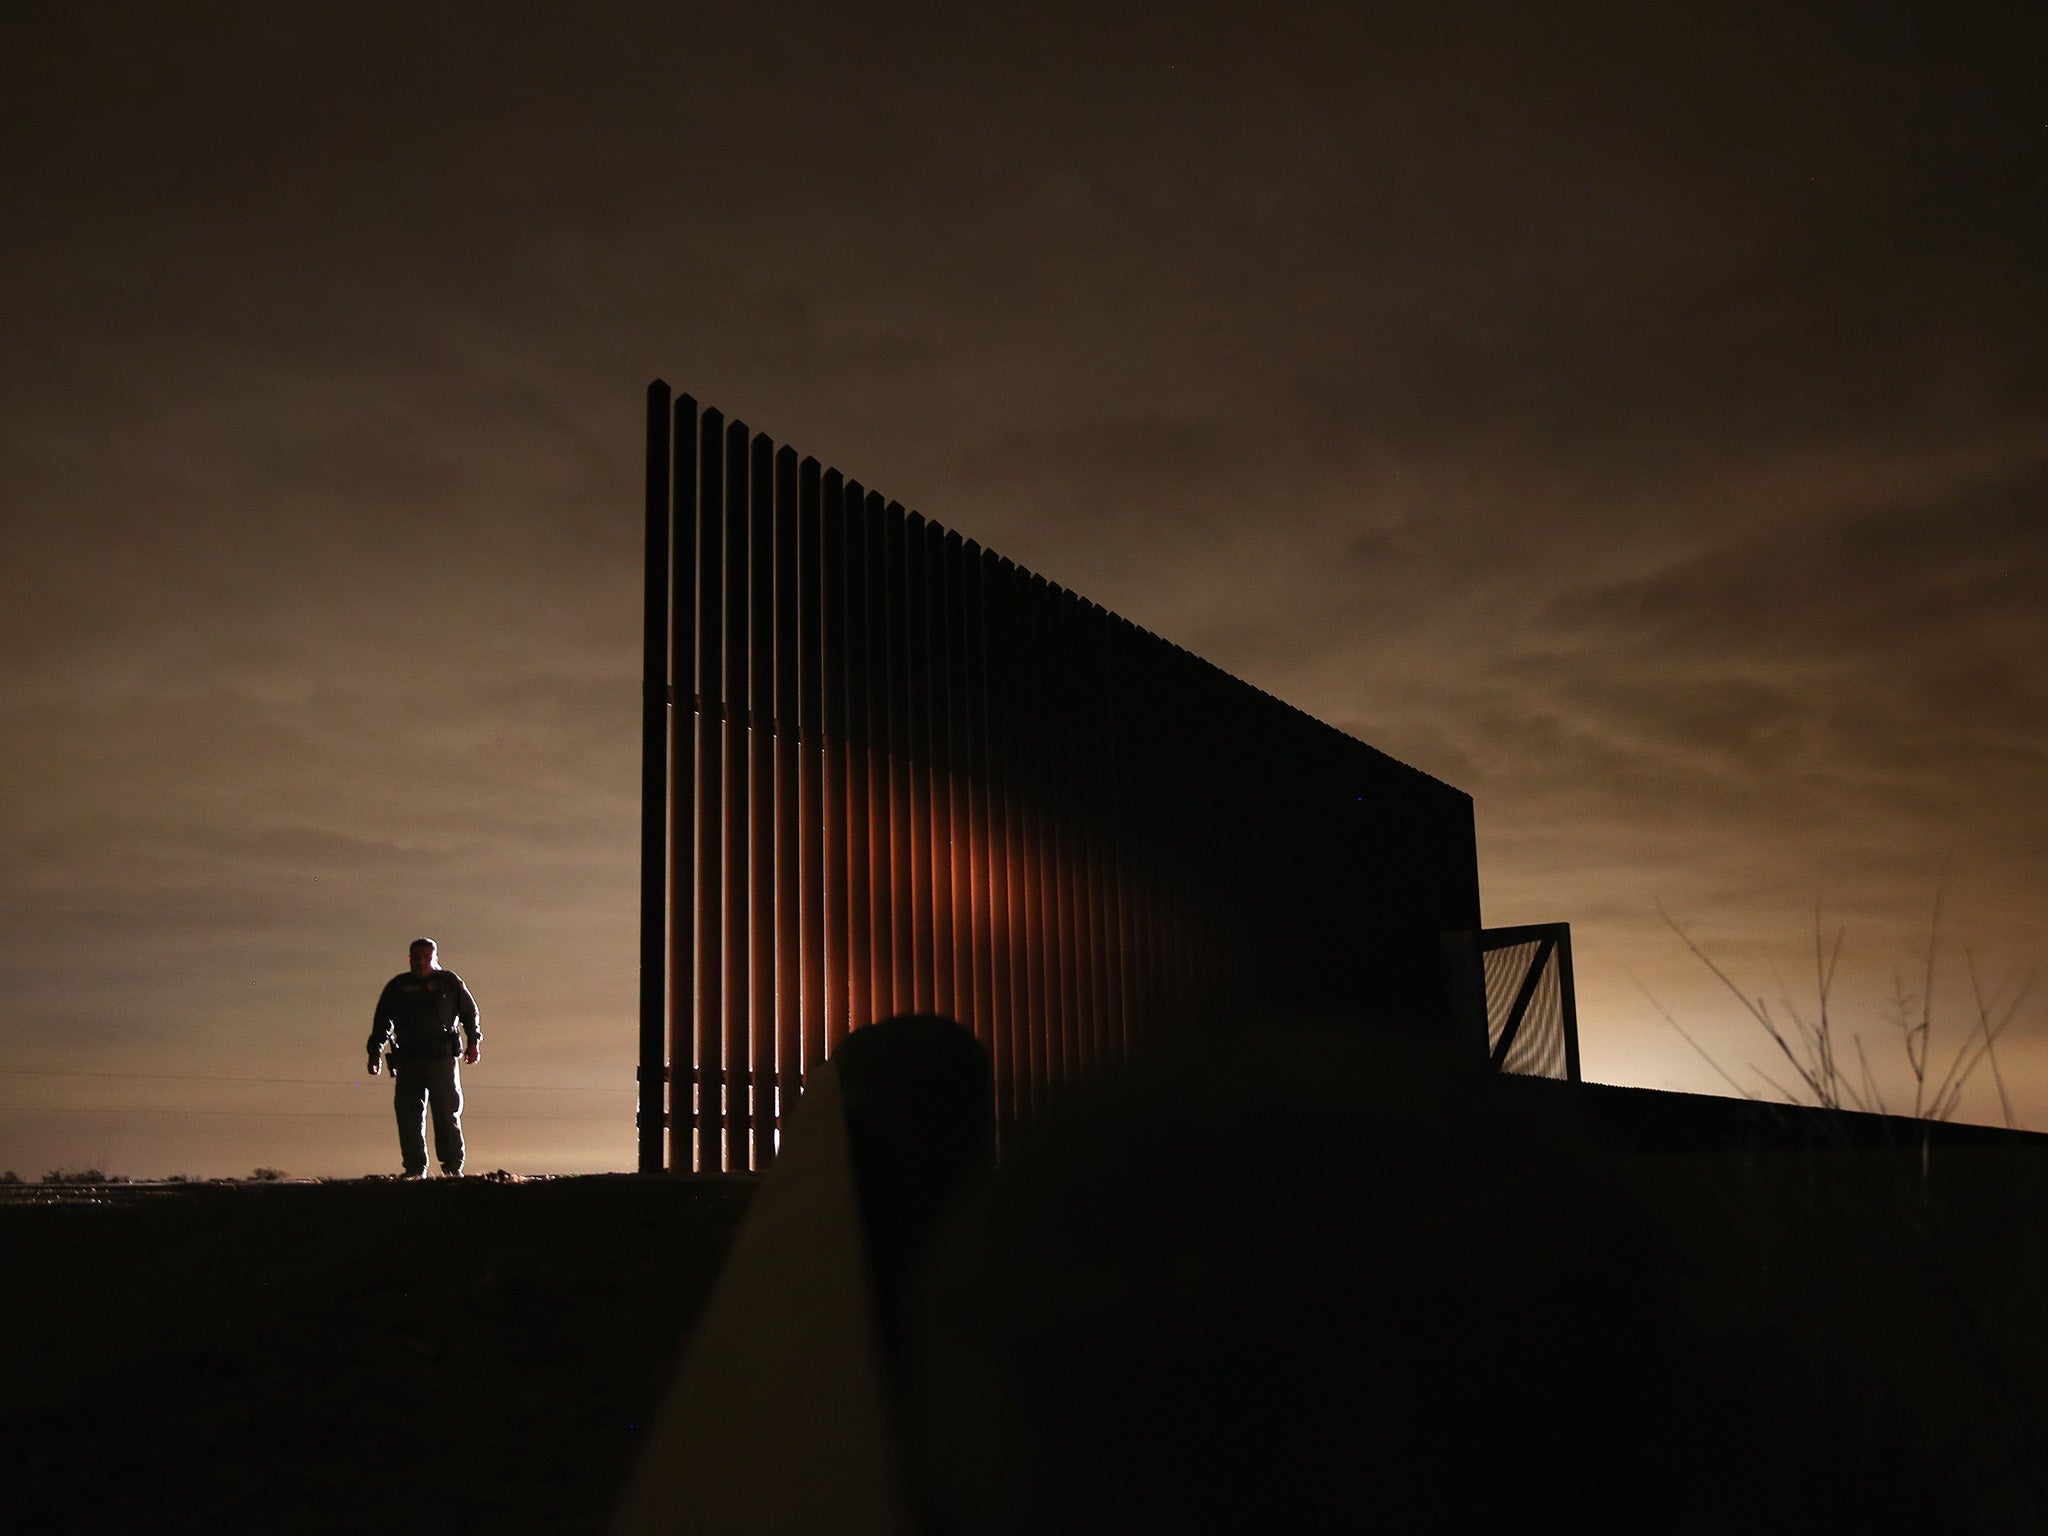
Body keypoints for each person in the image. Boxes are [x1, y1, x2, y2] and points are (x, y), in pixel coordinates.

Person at [366, 938, 481, 1178]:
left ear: (435, 958)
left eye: (426, 957)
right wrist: (374, 1052)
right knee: (408, 1115)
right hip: (409, 1059)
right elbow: (382, 1023)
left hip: (441, 1058)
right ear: (410, 958)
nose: (421, 962)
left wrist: (473, 1043)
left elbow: (469, 1013)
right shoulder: (397, 987)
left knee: (446, 1113)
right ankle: (414, 1168)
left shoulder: (449, 983)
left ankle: (452, 1168)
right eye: (416, 957)